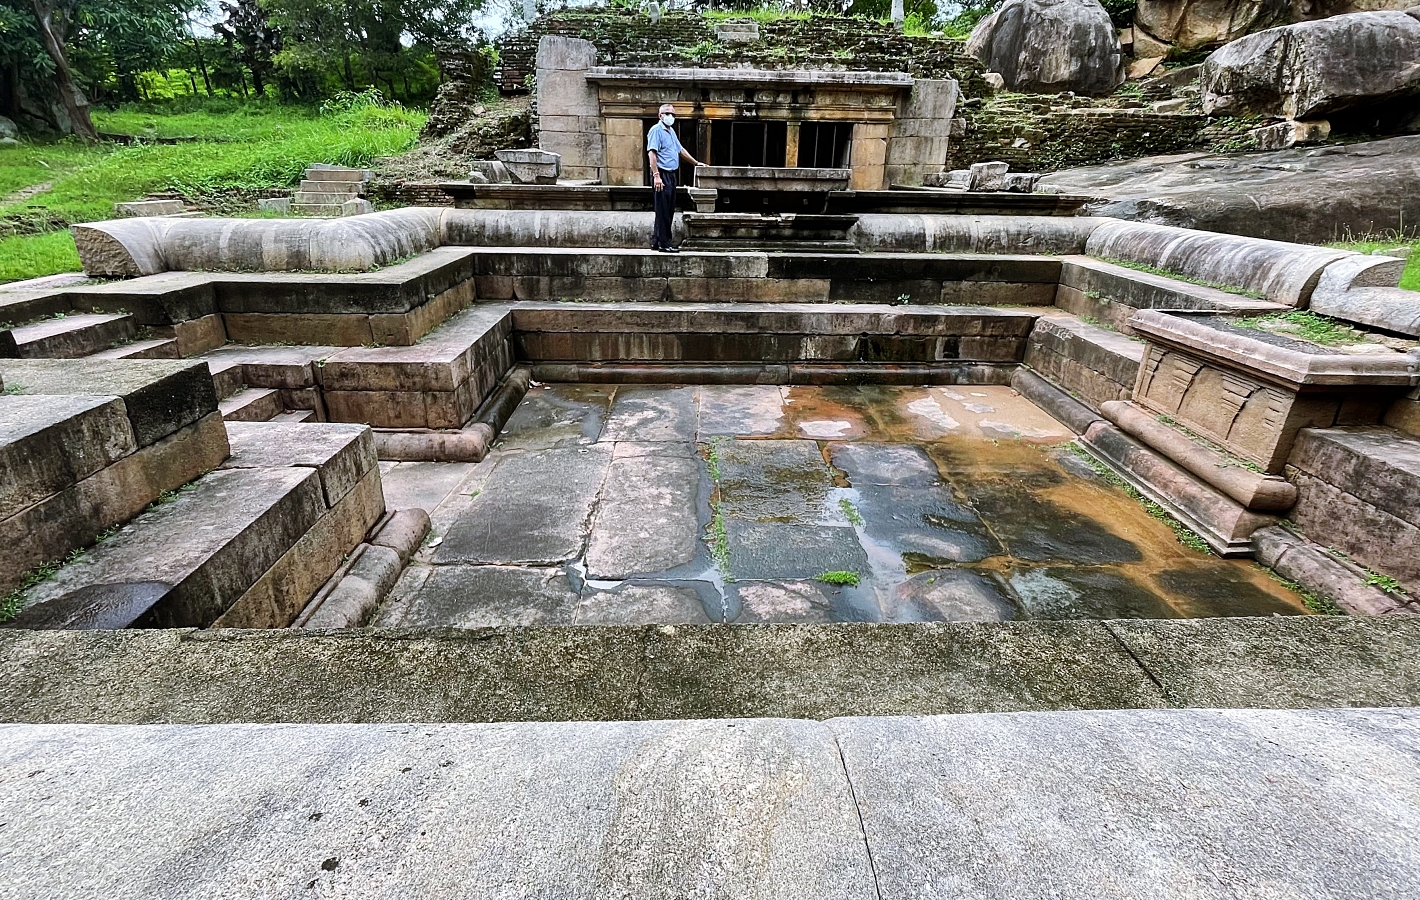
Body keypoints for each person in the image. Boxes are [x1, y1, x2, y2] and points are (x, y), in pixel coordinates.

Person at [646, 103, 705, 253]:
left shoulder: (671, 131)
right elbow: (652, 154)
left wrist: (696, 163)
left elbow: (681, 150)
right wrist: (656, 175)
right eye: (667, 113)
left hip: (671, 174)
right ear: (660, 115)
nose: (670, 116)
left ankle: (657, 241)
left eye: (673, 114)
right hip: (662, 173)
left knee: (668, 209)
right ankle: (665, 244)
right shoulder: (656, 130)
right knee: (663, 209)